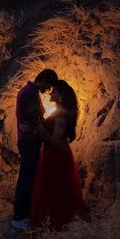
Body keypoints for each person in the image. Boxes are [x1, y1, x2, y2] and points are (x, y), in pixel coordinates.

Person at [30, 80, 84, 230]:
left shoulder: (61, 116)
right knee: (54, 187)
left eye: (54, 91)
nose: (51, 93)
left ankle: (56, 223)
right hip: (53, 153)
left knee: (55, 187)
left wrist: (39, 128)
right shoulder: (58, 113)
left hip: (56, 155)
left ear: (60, 96)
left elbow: (54, 139)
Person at [11, 68, 58, 230]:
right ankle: (19, 217)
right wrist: (48, 136)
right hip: (29, 142)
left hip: (29, 140)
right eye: (49, 86)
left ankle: (24, 214)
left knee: (29, 177)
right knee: (26, 179)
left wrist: (34, 127)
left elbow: (33, 123)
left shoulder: (30, 91)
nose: (49, 90)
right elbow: (34, 123)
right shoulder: (29, 93)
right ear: (43, 79)